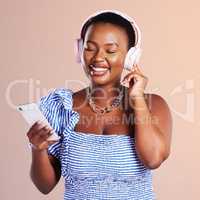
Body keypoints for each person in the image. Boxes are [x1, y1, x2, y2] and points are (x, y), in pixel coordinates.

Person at [27, 10, 172, 200]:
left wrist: (137, 99)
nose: (97, 58)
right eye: (90, 48)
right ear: (79, 50)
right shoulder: (60, 107)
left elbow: (153, 159)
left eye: (110, 50)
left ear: (130, 57)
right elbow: (44, 186)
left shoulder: (153, 105)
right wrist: (38, 150)